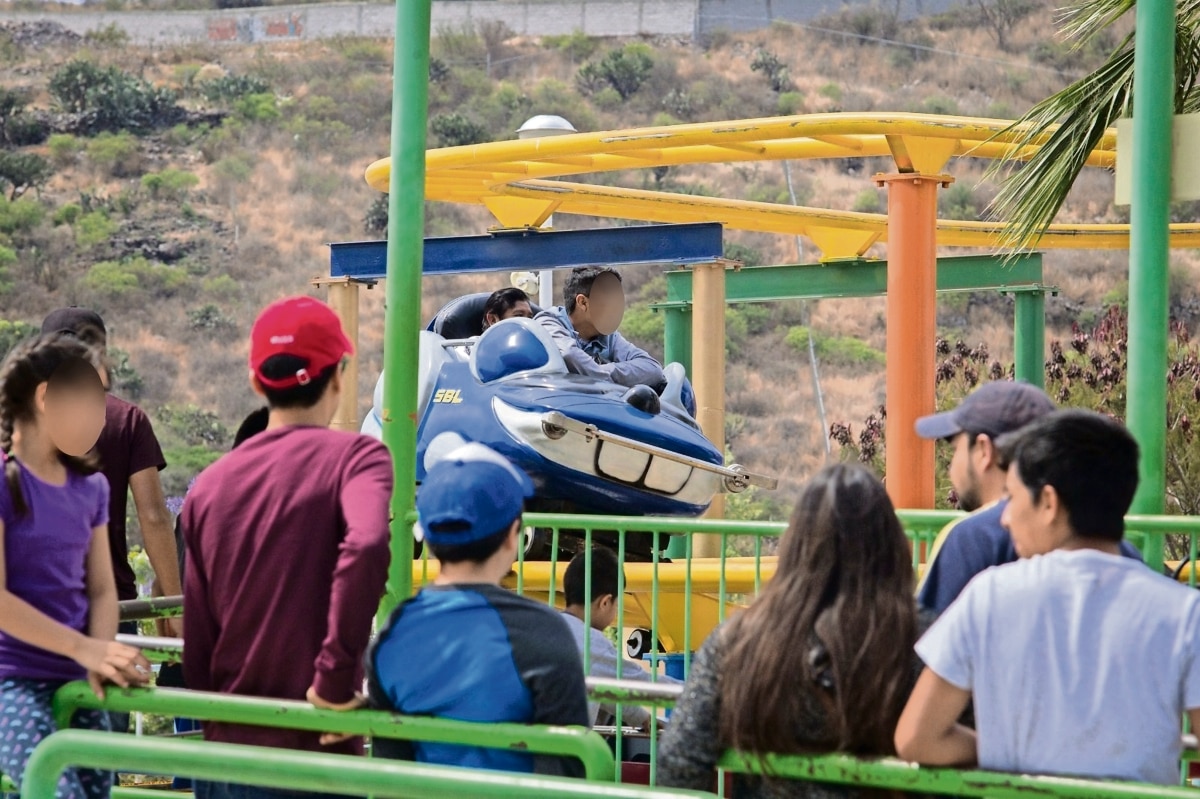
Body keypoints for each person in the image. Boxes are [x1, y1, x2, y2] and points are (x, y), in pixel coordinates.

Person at [896, 410, 1200, 785]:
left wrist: (1006, 752)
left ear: (1049, 503)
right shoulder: (1184, 613)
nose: (1005, 519)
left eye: (1011, 497)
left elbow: (916, 738)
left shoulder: (989, 596)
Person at [182, 296, 394, 799]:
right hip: (318, 748)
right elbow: (365, 545)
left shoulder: (208, 486)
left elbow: (199, 641)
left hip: (228, 748)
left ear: (257, 384)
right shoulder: (358, 458)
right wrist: (334, 682)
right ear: (339, 378)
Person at [659, 463, 923, 798]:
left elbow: (678, 763)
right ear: (891, 546)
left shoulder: (740, 641)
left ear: (796, 544)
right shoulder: (924, 641)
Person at [367, 442, 589, 777]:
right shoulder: (544, 631)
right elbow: (569, 767)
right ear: (513, 537)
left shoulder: (392, 634)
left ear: (426, 538)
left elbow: (391, 767)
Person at [0, 334, 151, 799]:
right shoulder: (7, 484)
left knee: (95, 788)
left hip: (78, 678)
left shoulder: (92, 490)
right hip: (12, 681)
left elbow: (103, 591)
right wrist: (86, 649)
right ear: (45, 397)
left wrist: (100, 652)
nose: (101, 415)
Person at [914, 380, 1140, 614]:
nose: (952, 467)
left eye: (955, 449)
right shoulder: (1112, 548)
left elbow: (929, 638)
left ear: (984, 450)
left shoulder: (970, 539)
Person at [40, 308, 181, 644]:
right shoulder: (127, 420)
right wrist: (174, 608)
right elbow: (153, 517)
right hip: (110, 607)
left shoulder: (18, 420)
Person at [560, 547, 680, 731]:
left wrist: (642, 718)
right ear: (605, 602)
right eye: (617, 604)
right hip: (561, 752)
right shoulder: (591, 642)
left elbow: (604, 689)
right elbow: (642, 685)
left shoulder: (549, 626)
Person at [536, 267, 666, 391]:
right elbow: (569, 354)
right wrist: (617, 377)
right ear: (582, 302)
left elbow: (652, 368)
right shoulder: (549, 323)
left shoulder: (609, 337)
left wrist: (601, 371)